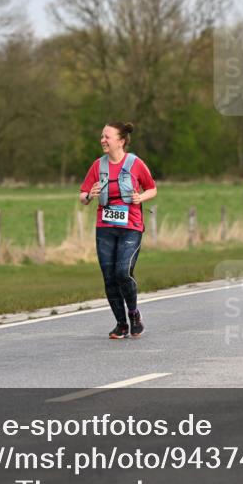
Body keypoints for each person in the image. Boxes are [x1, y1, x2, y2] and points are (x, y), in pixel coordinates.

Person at [79, 122, 157, 339]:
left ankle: (134, 315)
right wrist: (90, 195)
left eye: (107, 137)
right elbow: (83, 196)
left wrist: (140, 197)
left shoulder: (136, 163)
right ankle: (121, 325)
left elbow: (152, 188)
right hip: (105, 228)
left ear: (121, 141)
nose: (102, 140)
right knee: (109, 277)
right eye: (102, 136)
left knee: (123, 271)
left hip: (130, 226)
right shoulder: (97, 165)